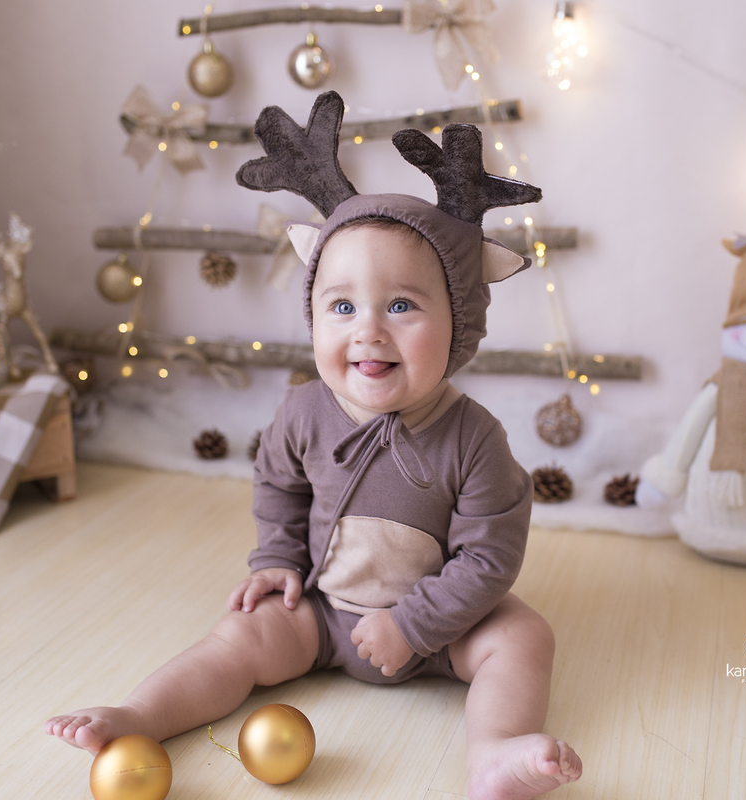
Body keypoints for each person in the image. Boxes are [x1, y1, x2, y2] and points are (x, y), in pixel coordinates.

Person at [45, 92, 582, 800]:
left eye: (401, 305)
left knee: (523, 638)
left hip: (443, 625)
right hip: (325, 615)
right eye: (341, 306)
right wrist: (276, 560)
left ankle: (493, 752)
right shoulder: (303, 410)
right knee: (237, 635)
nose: (368, 330)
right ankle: (139, 713)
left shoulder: (475, 439)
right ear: (314, 317)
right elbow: (280, 486)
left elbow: (489, 558)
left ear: (459, 324)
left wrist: (415, 624)